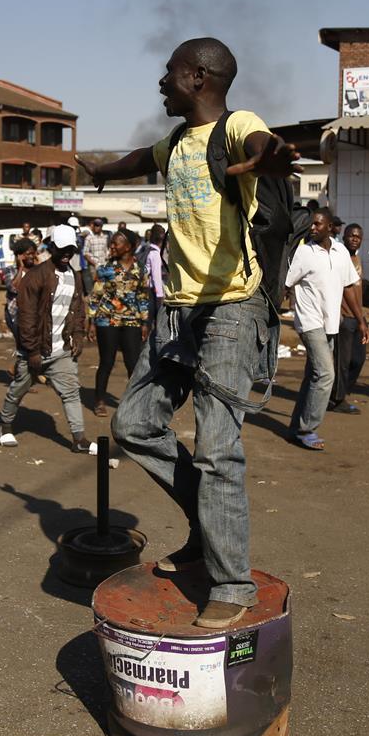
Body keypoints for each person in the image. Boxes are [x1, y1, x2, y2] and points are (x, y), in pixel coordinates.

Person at [76, 36, 302, 629]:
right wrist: (100, 171)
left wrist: (266, 158)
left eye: (170, 72)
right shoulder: (175, 141)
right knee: (133, 424)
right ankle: (207, 530)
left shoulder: (236, 126)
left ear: (199, 77)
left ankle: (232, 585)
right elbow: (137, 160)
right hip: (177, 310)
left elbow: (263, 144)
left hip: (231, 308)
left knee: (217, 449)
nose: (161, 81)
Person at [0, 224, 93, 453]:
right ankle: (5, 425)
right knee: (18, 389)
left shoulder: (75, 276)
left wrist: (78, 335)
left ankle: (79, 438)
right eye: (62, 249)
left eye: (71, 249)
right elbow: (26, 317)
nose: (67, 254)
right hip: (36, 350)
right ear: (51, 248)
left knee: (71, 392)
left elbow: (78, 309)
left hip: (61, 350)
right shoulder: (36, 277)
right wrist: (32, 351)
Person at [286, 208, 369, 449]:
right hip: (310, 322)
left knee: (313, 375)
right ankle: (306, 428)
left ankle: (295, 428)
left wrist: (361, 319)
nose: (313, 228)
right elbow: (286, 282)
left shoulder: (341, 251)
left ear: (330, 227)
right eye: (311, 224)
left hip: (331, 323)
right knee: (326, 374)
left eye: (318, 224)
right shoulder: (303, 252)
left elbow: (349, 287)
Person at [87, 228, 150, 416]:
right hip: (107, 321)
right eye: (112, 243)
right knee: (107, 362)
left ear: (129, 247)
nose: (112, 246)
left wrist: (144, 323)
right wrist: (91, 321)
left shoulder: (140, 269)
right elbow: (96, 295)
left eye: (116, 243)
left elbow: (143, 296)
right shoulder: (105, 268)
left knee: (133, 363)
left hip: (132, 322)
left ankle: (134, 402)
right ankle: (99, 401)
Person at [328, 223, 368, 414]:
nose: (354, 239)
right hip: (343, 317)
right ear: (344, 237)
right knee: (342, 362)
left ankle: (340, 392)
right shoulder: (339, 258)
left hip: (358, 316)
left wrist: (363, 318)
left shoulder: (358, 259)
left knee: (358, 359)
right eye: (351, 235)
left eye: (358, 237)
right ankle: (337, 399)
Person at [2, 238, 38, 341]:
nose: (31, 256)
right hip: (15, 313)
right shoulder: (10, 270)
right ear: (19, 255)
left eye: (33, 253)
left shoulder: (37, 270)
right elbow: (13, 288)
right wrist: (21, 268)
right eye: (28, 254)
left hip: (33, 313)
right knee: (22, 343)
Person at [145, 223, 167, 323]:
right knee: (156, 320)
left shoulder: (149, 249)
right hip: (153, 292)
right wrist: (160, 295)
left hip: (149, 289)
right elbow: (156, 276)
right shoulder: (155, 254)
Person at [83, 218, 109, 292]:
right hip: (93, 266)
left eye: (98, 226)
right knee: (95, 285)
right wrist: (94, 263)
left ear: (101, 227)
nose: (96, 227)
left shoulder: (105, 237)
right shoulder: (89, 238)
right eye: (95, 225)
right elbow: (85, 253)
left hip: (104, 265)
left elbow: (106, 251)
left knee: (104, 285)